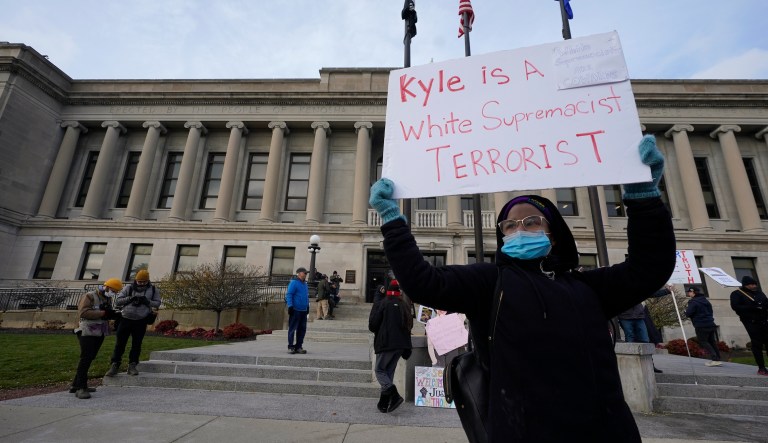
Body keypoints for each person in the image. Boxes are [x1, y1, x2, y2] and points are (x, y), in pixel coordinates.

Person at [368, 135, 676, 442]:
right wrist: (392, 222)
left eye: (531, 222)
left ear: (553, 235)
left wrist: (644, 196)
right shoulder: (489, 284)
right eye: (510, 226)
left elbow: (649, 268)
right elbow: (424, 283)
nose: (519, 230)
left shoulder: (588, 287)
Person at [72, 278, 122, 399]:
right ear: (107, 287)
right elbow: (83, 312)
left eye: (116, 292)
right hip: (86, 330)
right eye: (113, 291)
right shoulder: (89, 296)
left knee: (90, 357)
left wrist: (113, 314)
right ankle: (81, 388)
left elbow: (105, 313)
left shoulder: (107, 298)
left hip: (99, 331)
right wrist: (103, 313)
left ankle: (76, 384)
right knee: (86, 357)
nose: (114, 294)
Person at [368, 279, 413, 413]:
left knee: (380, 370)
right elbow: (409, 325)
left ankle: (394, 394)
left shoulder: (383, 303)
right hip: (401, 345)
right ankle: (384, 403)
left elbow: (373, 325)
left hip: (387, 342)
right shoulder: (404, 305)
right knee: (388, 372)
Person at [105, 269, 161, 377]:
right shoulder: (128, 288)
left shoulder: (153, 290)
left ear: (147, 281)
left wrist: (146, 301)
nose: (141, 284)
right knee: (120, 344)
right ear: (135, 280)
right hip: (126, 318)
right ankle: (115, 364)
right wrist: (130, 299)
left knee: (136, 344)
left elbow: (157, 303)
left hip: (141, 320)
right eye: (139, 281)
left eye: (144, 282)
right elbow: (118, 301)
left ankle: (132, 365)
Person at [730, 276, 768, 375]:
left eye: (755, 284)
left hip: (764, 321)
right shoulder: (737, 294)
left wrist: (762, 306)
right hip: (751, 322)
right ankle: (761, 367)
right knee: (757, 344)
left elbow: (766, 303)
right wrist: (753, 306)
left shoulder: (759, 293)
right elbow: (735, 306)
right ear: (746, 285)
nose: (754, 286)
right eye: (752, 284)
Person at [684, 286, 722, 366]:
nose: (688, 293)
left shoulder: (693, 302)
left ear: (693, 292)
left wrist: (685, 311)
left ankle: (715, 359)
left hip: (701, 324)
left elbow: (688, 313)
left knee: (703, 341)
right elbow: (711, 312)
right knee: (712, 342)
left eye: (689, 292)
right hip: (710, 323)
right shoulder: (705, 300)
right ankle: (717, 358)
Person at [286, 267, 309, 354]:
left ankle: (299, 346)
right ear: (299, 273)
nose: (306, 274)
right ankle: (291, 346)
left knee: (302, 329)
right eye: (304, 273)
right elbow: (289, 295)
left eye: (306, 273)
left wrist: (307, 307)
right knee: (292, 328)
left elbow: (306, 297)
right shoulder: (294, 283)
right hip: (295, 310)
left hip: (303, 310)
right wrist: (290, 306)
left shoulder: (305, 284)